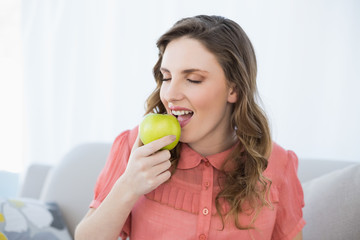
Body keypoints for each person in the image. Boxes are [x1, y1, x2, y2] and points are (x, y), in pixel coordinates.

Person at [75, 15, 305, 240]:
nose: (170, 95)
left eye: (193, 79)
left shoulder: (277, 164)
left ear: (233, 90)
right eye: (166, 78)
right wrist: (128, 186)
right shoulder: (137, 147)